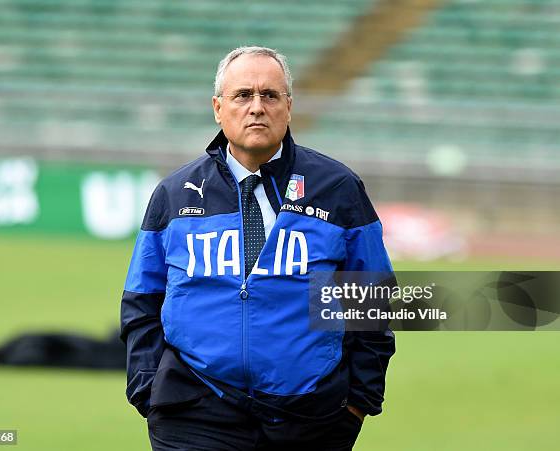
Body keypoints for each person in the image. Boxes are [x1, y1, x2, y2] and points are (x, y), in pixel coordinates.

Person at [120, 46, 395, 451]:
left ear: (289, 106)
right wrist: (148, 390)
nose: (256, 107)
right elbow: (141, 302)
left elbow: (373, 303)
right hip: (194, 413)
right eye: (243, 95)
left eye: (270, 95)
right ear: (218, 107)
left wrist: (357, 403)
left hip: (310, 417)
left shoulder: (338, 189)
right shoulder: (174, 195)